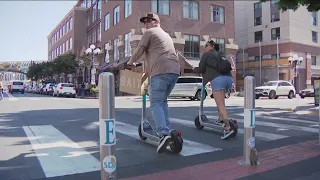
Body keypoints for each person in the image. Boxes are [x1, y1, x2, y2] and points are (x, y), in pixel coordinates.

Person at [127, 13, 180, 153]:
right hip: (174, 71)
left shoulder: (150, 32)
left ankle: (163, 133)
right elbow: (153, 54)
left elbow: (139, 49)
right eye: (145, 22)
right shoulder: (166, 36)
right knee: (163, 102)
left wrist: (131, 61)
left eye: (150, 21)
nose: (147, 24)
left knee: (156, 103)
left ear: (157, 22)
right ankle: (166, 130)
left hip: (161, 71)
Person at [193, 40, 234, 139]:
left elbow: (201, 68)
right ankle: (221, 119)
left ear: (211, 46)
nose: (204, 47)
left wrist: (194, 69)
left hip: (218, 80)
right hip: (229, 79)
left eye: (206, 45)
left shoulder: (206, 55)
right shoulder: (221, 55)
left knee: (220, 105)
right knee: (221, 102)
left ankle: (228, 127)